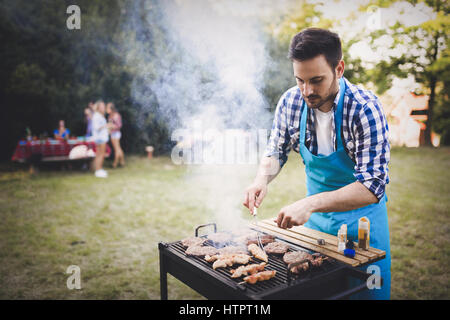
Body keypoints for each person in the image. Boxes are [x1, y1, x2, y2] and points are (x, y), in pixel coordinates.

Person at [243, 28, 391, 300]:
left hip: (363, 231)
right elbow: (276, 150)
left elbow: (372, 186)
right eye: (300, 80)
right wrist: (260, 180)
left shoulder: (365, 109)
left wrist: (309, 203)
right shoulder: (291, 101)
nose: (307, 91)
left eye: (316, 80)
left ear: (339, 69)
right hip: (316, 230)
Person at [91, 100, 109, 178]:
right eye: (102, 106)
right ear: (98, 107)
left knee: (99, 154)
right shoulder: (97, 116)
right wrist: (107, 125)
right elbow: (97, 127)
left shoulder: (99, 115)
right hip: (100, 138)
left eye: (104, 106)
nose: (103, 107)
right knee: (101, 154)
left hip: (101, 137)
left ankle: (99, 169)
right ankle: (98, 171)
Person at [106, 102, 125, 168]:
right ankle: (122, 162)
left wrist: (112, 126)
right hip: (112, 133)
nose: (106, 109)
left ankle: (115, 163)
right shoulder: (110, 116)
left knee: (117, 149)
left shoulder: (116, 115)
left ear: (111, 108)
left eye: (107, 108)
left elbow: (119, 126)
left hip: (116, 133)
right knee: (118, 148)